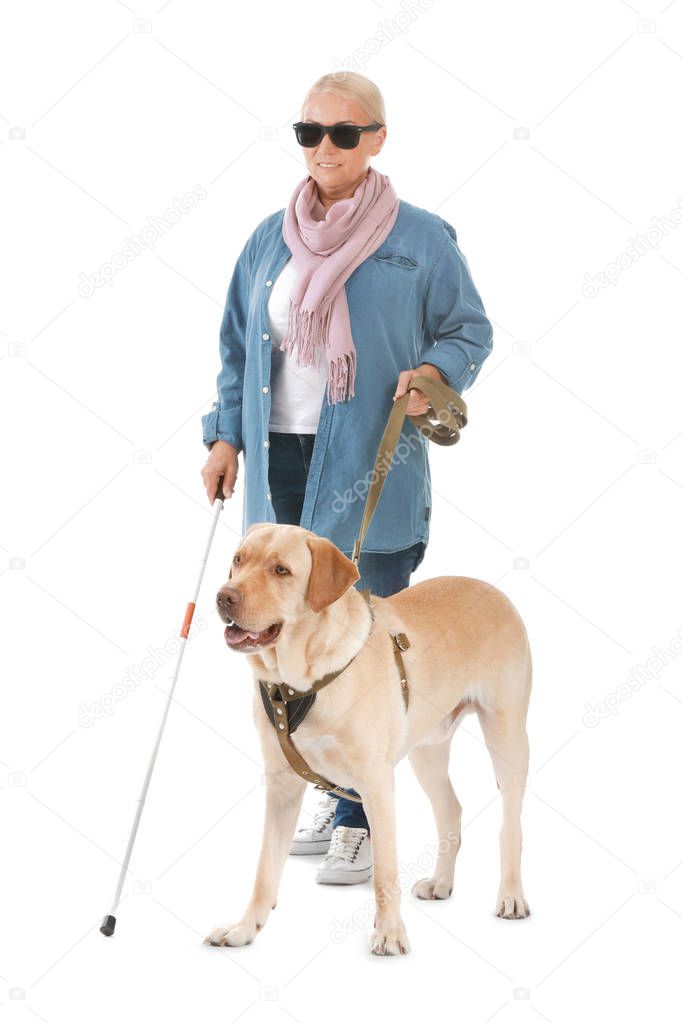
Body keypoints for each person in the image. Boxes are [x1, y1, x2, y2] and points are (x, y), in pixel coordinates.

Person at [201, 71, 493, 886]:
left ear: (376, 139)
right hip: (275, 458)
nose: (323, 148)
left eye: (342, 133)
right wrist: (224, 435)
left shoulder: (421, 238)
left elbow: (470, 327)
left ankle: (364, 813)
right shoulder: (269, 237)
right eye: (309, 132)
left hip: (370, 458)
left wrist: (435, 365)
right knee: (285, 631)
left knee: (367, 636)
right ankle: (324, 781)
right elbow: (235, 346)